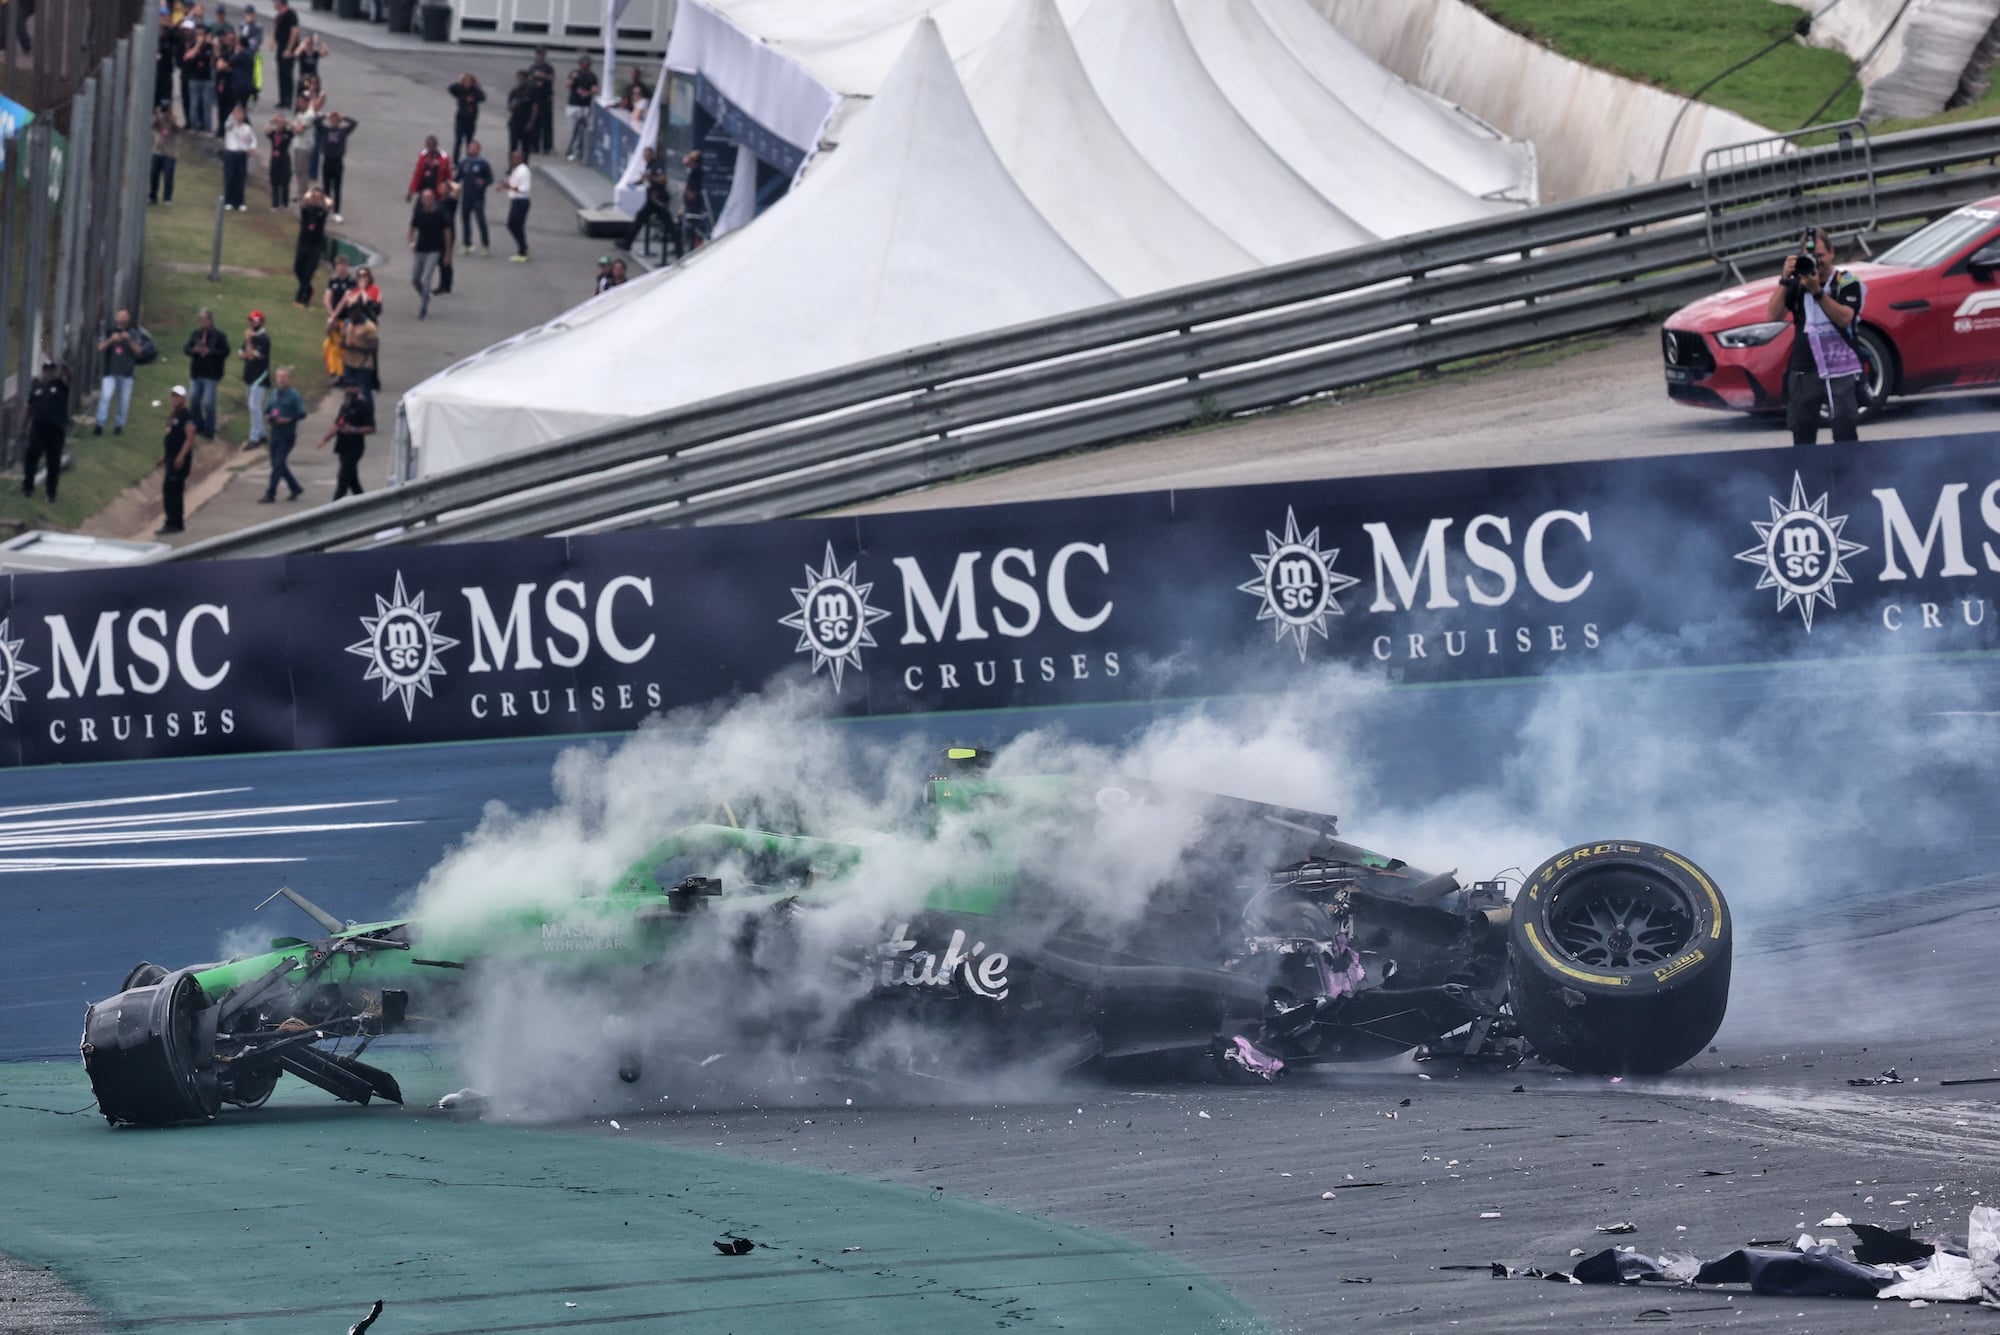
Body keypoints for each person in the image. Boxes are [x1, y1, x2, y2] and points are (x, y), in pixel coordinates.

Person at [1763, 225, 1867, 446]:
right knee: (1802, 430)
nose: (1816, 262)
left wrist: (1817, 292)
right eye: (1810, 257)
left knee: (1844, 427)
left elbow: (1844, 317)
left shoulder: (1846, 281)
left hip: (1841, 365)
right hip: (1805, 367)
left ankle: (1850, 476)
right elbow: (1773, 315)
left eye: (1820, 256)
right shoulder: (1796, 282)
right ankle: (1807, 477)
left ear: (1831, 253)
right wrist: (1784, 279)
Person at [21, 359, 69, 502]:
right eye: (46, 369)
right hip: (38, 428)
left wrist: (65, 368)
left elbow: (70, 378)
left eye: (51, 370)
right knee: (32, 456)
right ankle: (27, 487)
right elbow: (28, 407)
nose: (49, 372)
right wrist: (23, 426)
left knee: (53, 462)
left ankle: (51, 493)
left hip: (56, 430)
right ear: (43, 371)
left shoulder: (60, 385)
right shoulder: (36, 386)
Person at [318, 384, 373, 499]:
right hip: (343, 446)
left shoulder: (364, 407)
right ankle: (363, 503)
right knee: (352, 480)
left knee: (343, 478)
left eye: (352, 387)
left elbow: (371, 428)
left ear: (357, 389)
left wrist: (353, 429)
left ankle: (334, 508)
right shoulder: (345, 406)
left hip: (355, 448)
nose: (349, 390)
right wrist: (325, 439)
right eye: (347, 387)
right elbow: (338, 424)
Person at [260, 365, 306, 501]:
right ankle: (295, 487)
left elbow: (302, 413)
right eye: (279, 377)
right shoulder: (274, 394)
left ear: (289, 379)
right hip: (275, 433)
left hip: (287, 435)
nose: (281, 380)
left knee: (278, 463)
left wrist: (288, 420)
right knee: (276, 464)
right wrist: (268, 417)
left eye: (284, 377)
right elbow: (267, 410)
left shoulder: (294, 396)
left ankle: (270, 493)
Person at [617, 146, 670, 257]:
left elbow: (662, 180)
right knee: (639, 218)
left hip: (659, 200)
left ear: (651, 155)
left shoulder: (657, 164)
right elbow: (645, 179)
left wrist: (650, 177)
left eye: (647, 155)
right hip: (651, 200)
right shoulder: (648, 165)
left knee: (668, 223)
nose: (645, 157)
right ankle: (627, 243)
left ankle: (678, 248)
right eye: (644, 155)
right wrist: (634, 184)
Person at [182, 309, 228, 439]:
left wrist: (210, 352)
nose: (201, 322)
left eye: (203, 320)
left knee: (208, 402)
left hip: (211, 374)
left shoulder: (219, 335)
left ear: (209, 320)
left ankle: (209, 429)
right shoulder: (196, 334)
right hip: (197, 372)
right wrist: (194, 350)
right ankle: (198, 425)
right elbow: (186, 348)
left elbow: (225, 351)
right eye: (200, 320)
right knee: (194, 399)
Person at [408, 187, 452, 319]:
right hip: (420, 249)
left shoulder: (440, 213)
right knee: (415, 279)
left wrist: (447, 253)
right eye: (424, 198)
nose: (427, 201)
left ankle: (423, 308)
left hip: (434, 250)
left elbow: (447, 233)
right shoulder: (419, 213)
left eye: (429, 198)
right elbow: (411, 229)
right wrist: (412, 243)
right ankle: (425, 295)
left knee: (427, 277)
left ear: (433, 199)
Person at [95, 310, 139, 435]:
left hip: (127, 373)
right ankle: (99, 424)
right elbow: (101, 347)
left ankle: (119, 425)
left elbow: (139, 351)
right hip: (110, 371)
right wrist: (111, 340)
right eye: (119, 320)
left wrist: (129, 340)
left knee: (123, 401)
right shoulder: (109, 331)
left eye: (124, 320)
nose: (121, 323)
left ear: (127, 320)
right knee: (106, 396)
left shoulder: (133, 332)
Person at [159, 386, 196, 534]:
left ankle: (173, 522)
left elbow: (190, 438)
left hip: (179, 458)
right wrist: (165, 456)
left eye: (178, 396)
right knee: (170, 489)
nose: (174, 399)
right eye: (173, 396)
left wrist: (181, 456)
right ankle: (174, 521)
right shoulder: (174, 415)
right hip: (171, 456)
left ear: (183, 399)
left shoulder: (187, 416)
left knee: (172, 489)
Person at [239, 310, 272, 448]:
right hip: (249, 376)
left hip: (259, 377)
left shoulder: (264, 339)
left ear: (261, 322)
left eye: (255, 320)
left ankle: (254, 437)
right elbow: (241, 354)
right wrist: (248, 349)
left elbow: (251, 356)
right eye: (251, 320)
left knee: (254, 407)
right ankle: (262, 433)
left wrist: (248, 342)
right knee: (253, 406)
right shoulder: (251, 337)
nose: (253, 323)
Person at [293, 184, 329, 306]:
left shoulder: (322, 211)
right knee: (298, 267)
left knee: (309, 272)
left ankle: (302, 299)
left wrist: (322, 198)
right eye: (314, 196)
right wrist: (310, 194)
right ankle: (308, 289)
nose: (315, 199)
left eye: (318, 197)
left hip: (316, 244)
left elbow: (328, 204)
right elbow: (304, 201)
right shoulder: (306, 209)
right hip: (304, 242)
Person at [456, 139, 493, 255]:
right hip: (466, 197)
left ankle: (486, 245)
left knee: (480, 220)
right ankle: (466, 244)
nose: (472, 150)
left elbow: (490, 179)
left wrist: (484, 182)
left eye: (474, 148)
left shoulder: (483, 164)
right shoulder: (464, 163)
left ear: (478, 149)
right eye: (470, 148)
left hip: (478, 197)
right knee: (465, 220)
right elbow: (458, 177)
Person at [337, 302, 379, 400]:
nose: (351, 316)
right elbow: (341, 340)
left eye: (353, 314)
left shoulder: (369, 326)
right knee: (348, 391)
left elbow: (374, 347)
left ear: (359, 313)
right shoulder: (347, 323)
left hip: (363, 365)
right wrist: (343, 343)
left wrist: (355, 347)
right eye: (350, 314)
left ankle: (368, 413)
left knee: (364, 392)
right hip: (349, 363)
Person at [320, 110, 355, 220]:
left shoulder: (343, 131)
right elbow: (316, 122)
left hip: (338, 162)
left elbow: (354, 123)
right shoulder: (326, 130)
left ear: (339, 121)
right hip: (327, 161)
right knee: (326, 188)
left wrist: (344, 116)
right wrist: (326, 115)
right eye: (332, 120)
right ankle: (326, 209)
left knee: (337, 188)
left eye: (336, 120)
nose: (334, 121)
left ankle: (337, 212)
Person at [180, 24, 215, 131]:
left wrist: (213, 46)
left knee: (206, 105)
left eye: (202, 34)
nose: (200, 36)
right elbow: (187, 57)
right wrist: (198, 45)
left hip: (206, 78)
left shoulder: (209, 46)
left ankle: (207, 127)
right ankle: (193, 126)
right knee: (194, 104)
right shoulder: (192, 45)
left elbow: (213, 62)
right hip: (194, 78)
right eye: (198, 34)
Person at [221, 105, 256, 210]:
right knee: (230, 176)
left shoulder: (247, 128)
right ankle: (228, 200)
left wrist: (251, 148)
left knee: (240, 178)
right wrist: (233, 114)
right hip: (231, 153)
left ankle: (240, 201)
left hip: (241, 154)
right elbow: (228, 124)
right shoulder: (230, 124)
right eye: (237, 113)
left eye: (241, 113)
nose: (239, 116)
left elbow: (253, 140)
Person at [563, 53, 597, 161]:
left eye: (587, 64)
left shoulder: (592, 76)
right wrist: (573, 79)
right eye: (584, 64)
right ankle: (574, 150)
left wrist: (587, 93)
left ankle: (579, 151)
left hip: (585, 106)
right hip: (573, 104)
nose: (586, 66)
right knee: (573, 129)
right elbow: (567, 85)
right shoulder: (574, 73)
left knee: (583, 129)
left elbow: (595, 90)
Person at [502, 149, 532, 261]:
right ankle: (523, 246)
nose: (512, 160)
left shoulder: (523, 171)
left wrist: (510, 187)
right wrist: (505, 185)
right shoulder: (517, 170)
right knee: (516, 225)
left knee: (514, 225)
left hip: (521, 201)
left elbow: (525, 188)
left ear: (520, 158)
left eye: (514, 158)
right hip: (516, 200)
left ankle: (522, 251)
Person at [448, 72, 484, 160]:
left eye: (469, 81)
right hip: (461, 118)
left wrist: (477, 87)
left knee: (469, 141)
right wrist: (460, 82)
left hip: (471, 120)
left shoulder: (475, 91)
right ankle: (455, 160)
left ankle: (469, 159)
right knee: (458, 140)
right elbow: (450, 88)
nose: (467, 83)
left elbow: (482, 98)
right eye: (465, 81)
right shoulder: (460, 90)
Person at [406, 133, 453, 202]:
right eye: (428, 145)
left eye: (431, 145)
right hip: (424, 191)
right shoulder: (423, 156)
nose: (429, 147)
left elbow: (448, 175)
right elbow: (417, 175)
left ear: (435, 145)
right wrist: (411, 191)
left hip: (437, 192)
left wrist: (450, 190)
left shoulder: (443, 158)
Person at [149, 105, 179, 206]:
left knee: (168, 176)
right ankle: (152, 196)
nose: (164, 112)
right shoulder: (158, 119)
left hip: (170, 153)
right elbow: (151, 126)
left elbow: (179, 128)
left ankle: (167, 198)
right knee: (154, 174)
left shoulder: (173, 119)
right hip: (157, 151)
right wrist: (157, 116)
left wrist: (171, 118)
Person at [506, 69, 537, 163]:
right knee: (513, 146)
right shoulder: (514, 91)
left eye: (522, 78)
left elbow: (535, 108)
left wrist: (531, 122)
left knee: (525, 147)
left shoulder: (532, 91)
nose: (520, 80)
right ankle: (512, 165)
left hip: (526, 121)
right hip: (515, 121)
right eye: (519, 78)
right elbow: (509, 107)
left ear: (527, 79)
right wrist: (513, 105)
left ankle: (525, 164)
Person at [528, 46, 555, 154]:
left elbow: (552, 78)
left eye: (542, 53)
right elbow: (529, 78)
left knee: (547, 123)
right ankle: (534, 145)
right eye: (538, 53)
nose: (540, 55)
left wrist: (543, 76)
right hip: (535, 97)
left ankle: (547, 147)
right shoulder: (533, 67)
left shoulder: (548, 68)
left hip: (546, 97)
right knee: (535, 122)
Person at [434, 179, 459, 294]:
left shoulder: (450, 201)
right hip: (438, 232)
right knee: (440, 259)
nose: (441, 188)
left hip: (448, 232)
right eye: (441, 187)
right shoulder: (438, 201)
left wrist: (448, 182)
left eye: (444, 187)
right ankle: (444, 284)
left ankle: (446, 285)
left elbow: (458, 188)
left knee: (446, 258)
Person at [271, 0, 297, 106]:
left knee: (287, 74)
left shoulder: (290, 14)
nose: (274, 4)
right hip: (280, 47)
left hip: (287, 47)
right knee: (281, 73)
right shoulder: (279, 15)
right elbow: (276, 28)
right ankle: (282, 98)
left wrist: (289, 49)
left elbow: (294, 31)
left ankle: (288, 99)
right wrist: (274, 39)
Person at [267, 109, 293, 207]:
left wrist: (288, 122)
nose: (279, 125)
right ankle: (275, 203)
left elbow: (297, 129)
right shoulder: (273, 133)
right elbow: (266, 130)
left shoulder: (287, 133)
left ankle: (285, 203)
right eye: (277, 123)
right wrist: (271, 121)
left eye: (280, 123)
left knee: (285, 183)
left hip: (284, 158)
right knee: (274, 182)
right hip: (274, 159)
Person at [323, 251, 356, 319]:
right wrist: (331, 313)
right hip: (334, 313)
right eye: (339, 264)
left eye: (343, 265)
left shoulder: (352, 281)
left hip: (347, 315)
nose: (341, 267)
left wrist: (335, 314)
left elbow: (345, 299)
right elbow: (326, 298)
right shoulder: (333, 281)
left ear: (347, 266)